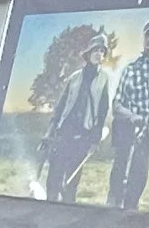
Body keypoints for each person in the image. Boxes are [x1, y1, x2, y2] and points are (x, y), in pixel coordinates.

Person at [41, 44, 113, 203]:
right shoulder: (74, 77)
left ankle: (67, 212)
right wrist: (50, 131)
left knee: (72, 182)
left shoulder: (104, 79)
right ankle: (49, 207)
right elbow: (60, 106)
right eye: (96, 50)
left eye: (102, 51)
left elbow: (103, 110)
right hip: (64, 132)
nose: (99, 54)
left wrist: (95, 138)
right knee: (54, 177)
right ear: (88, 53)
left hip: (84, 134)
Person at [107, 18, 149, 208]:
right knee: (120, 172)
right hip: (127, 128)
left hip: (147, 130)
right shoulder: (130, 69)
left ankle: (131, 209)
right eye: (148, 34)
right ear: (143, 37)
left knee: (141, 174)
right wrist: (133, 117)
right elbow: (116, 104)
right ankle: (113, 208)